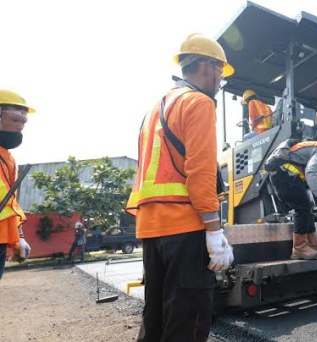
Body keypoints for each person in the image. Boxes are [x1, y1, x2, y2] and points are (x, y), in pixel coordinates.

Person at [125, 33, 234, 342]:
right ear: (208, 66)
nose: (221, 79)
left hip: (151, 227)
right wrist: (213, 230)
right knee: (187, 319)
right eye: (221, 71)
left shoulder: (156, 108)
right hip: (185, 227)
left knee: (156, 316)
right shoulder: (198, 102)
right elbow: (200, 172)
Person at [0, 89, 32, 280]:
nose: (20, 126)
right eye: (15, 120)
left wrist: (18, 237)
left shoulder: (9, 160)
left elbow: (9, 203)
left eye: (23, 121)